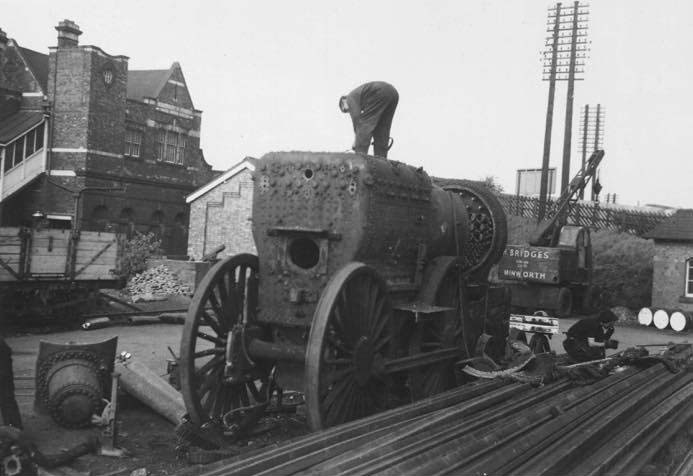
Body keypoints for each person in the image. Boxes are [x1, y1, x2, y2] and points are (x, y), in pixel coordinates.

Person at [339, 81, 399, 158]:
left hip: (379, 92)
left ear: (343, 102)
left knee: (364, 125)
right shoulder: (360, 97)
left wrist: (356, 141)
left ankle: (360, 157)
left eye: (345, 110)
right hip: (393, 93)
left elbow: (357, 120)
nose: (347, 111)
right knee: (382, 129)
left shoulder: (350, 98)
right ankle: (381, 158)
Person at [0, 336, 22, 429]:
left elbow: (6, 354)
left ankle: (14, 430)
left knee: (7, 401)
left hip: (3, 376)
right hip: (4, 374)